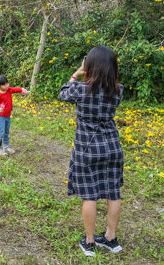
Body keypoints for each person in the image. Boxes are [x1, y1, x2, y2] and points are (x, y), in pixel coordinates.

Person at [59, 46, 124, 257]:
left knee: (90, 195)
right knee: (113, 192)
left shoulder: (80, 89)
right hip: (113, 146)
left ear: (90, 66)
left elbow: (63, 93)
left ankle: (89, 242)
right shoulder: (118, 90)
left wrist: (76, 74)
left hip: (87, 148)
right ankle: (110, 238)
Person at [0, 75, 29, 156]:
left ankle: (6, 146)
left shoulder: (9, 90)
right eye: (4, 85)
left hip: (7, 116)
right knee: (1, 132)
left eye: (7, 83)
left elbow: (16, 89)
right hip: (0, 116)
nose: (6, 85)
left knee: (6, 132)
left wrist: (21, 89)